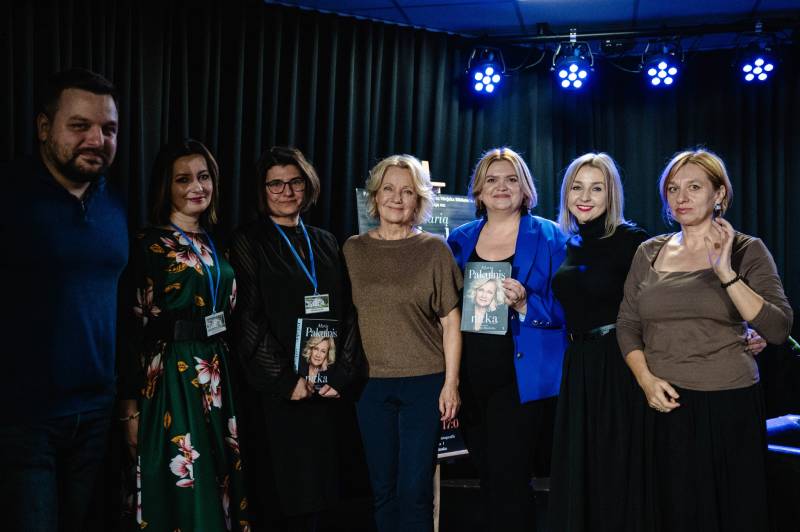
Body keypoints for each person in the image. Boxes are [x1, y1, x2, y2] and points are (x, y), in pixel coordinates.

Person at [616, 149, 793, 532]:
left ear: (719, 194)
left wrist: (725, 272)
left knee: (732, 513)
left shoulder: (747, 249)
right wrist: (645, 380)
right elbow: (627, 324)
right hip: (665, 405)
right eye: (673, 189)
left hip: (729, 404)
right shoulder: (649, 251)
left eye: (694, 187)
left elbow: (778, 329)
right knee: (672, 514)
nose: (681, 197)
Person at [0, 68, 129, 531]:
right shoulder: (9, 195)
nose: (97, 139)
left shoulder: (115, 202)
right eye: (80, 126)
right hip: (23, 418)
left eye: (108, 129)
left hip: (96, 413)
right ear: (43, 127)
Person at [117, 139, 249, 531]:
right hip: (171, 378)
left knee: (218, 479)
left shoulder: (216, 241)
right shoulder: (147, 244)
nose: (197, 187)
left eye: (203, 177)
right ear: (166, 186)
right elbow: (128, 330)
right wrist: (128, 408)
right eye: (183, 179)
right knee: (183, 482)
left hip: (217, 373)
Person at [229, 146, 361, 532]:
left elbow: (348, 312)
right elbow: (247, 318)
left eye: (295, 182)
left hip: (325, 388)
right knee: (283, 497)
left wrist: (340, 374)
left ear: (308, 184)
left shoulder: (327, 241)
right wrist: (287, 380)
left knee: (323, 496)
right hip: (278, 392)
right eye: (276, 184)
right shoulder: (248, 241)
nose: (286, 191)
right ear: (262, 190)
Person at [447, 147, 568, 532]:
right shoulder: (459, 239)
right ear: (479, 191)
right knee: (486, 476)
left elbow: (571, 308)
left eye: (512, 179)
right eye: (492, 180)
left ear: (525, 188)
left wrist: (527, 303)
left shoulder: (549, 235)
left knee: (510, 478)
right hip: (470, 376)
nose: (502, 187)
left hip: (520, 378)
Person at [343, 154, 462, 532]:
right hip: (370, 385)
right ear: (375, 196)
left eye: (407, 192)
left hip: (424, 383)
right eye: (389, 189)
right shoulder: (352, 250)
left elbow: (451, 321)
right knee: (383, 490)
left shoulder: (434, 249)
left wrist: (451, 383)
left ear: (419, 200)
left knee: (414, 491)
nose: (397, 198)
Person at [547, 153, 650, 532]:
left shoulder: (633, 240)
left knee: (614, 467)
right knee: (581, 468)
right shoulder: (569, 242)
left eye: (596, 188)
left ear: (612, 195)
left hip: (618, 363)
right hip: (578, 363)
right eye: (577, 187)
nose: (585, 197)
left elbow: (658, 305)